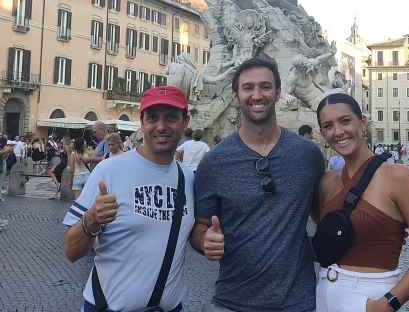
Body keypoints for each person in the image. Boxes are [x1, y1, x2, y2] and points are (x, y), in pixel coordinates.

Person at [191, 55, 325, 312]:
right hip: (232, 301)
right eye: (248, 87)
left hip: (297, 303)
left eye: (265, 86)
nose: (257, 94)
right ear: (235, 95)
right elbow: (200, 227)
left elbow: (325, 213)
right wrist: (205, 240)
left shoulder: (308, 155)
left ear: (277, 92)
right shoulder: (214, 162)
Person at [63, 85, 194, 311]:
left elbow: (195, 234)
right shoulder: (109, 170)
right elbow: (71, 251)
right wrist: (91, 219)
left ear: (185, 121)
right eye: (153, 117)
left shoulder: (190, 178)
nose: (161, 126)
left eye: (171, 117)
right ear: (142, 122)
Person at [315, 92, 409, 312]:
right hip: (324, 294)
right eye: (328, 126)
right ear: (322, 134)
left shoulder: (398, 177)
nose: (338, 132)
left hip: (368, 297)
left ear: (362, 122)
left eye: (345, 121)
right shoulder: (326, 182)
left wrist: (388, 304)